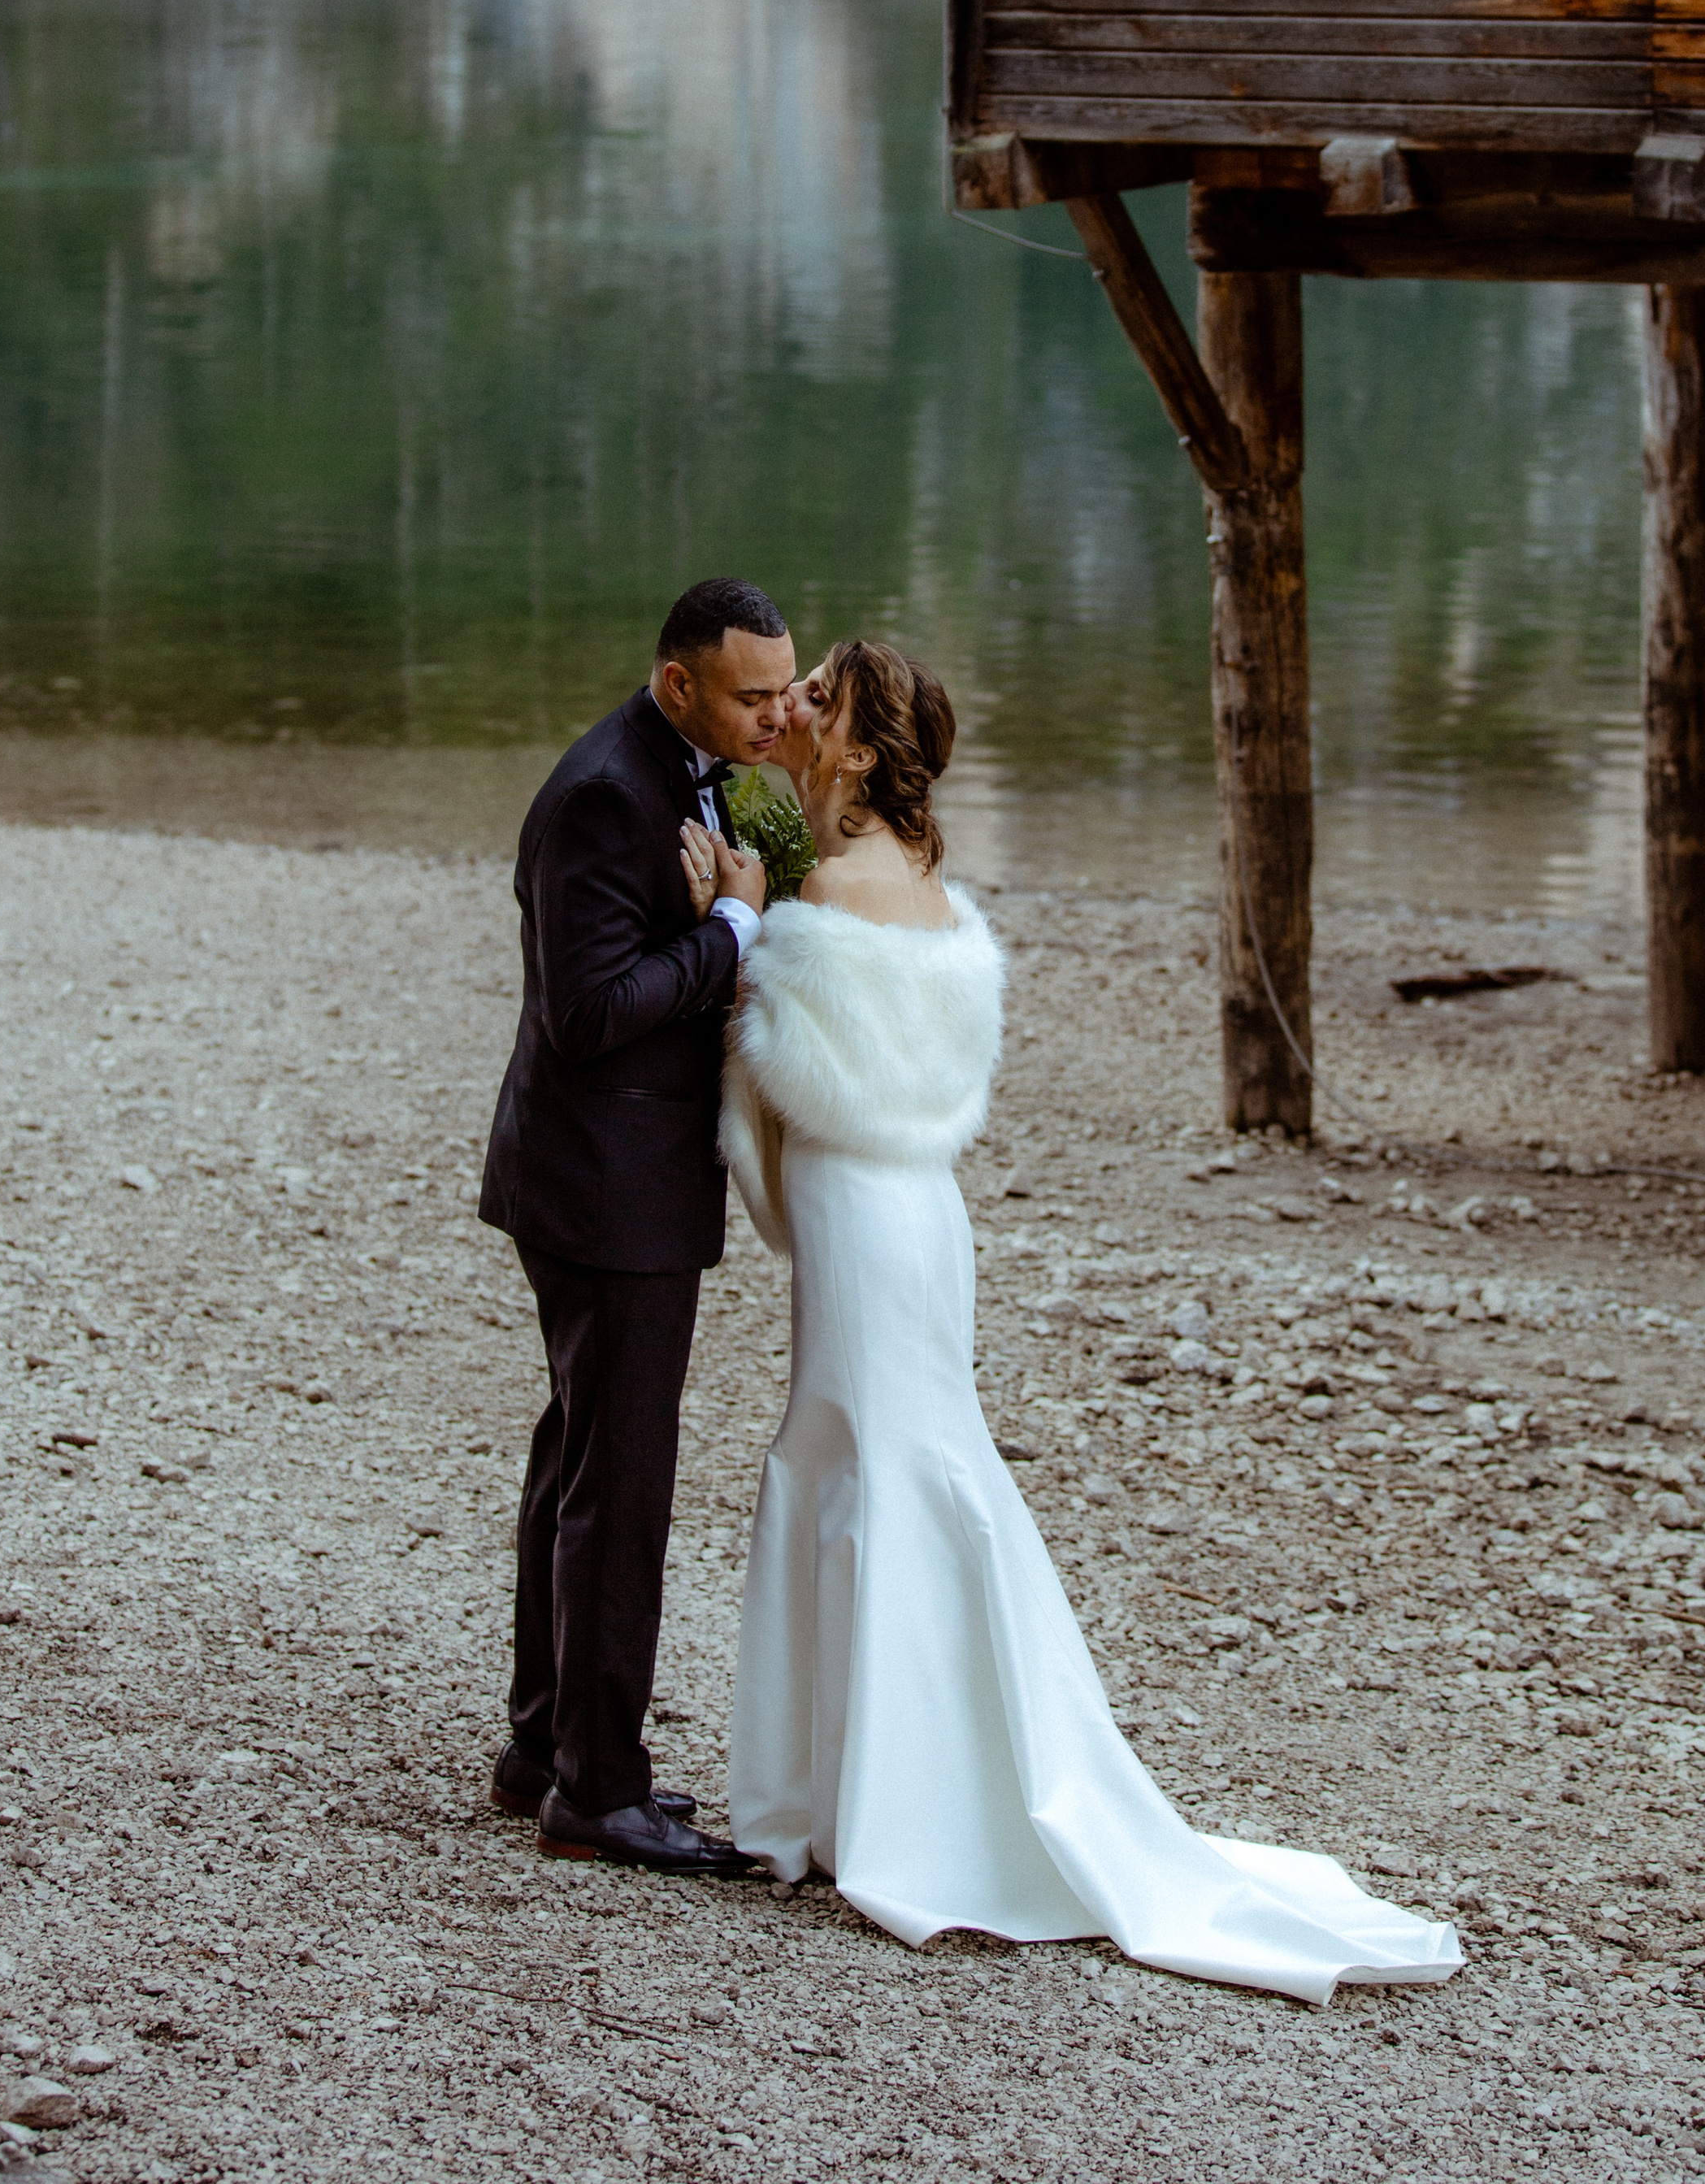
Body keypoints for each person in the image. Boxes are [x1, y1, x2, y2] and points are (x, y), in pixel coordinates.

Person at [716, 638, 1464, 2003]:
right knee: (900, 1461)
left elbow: (785, 1083)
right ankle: (874, 1792)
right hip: (921, 1217)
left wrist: (749, 933)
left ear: (866, 753)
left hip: (861, 1214)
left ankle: (879, 1815)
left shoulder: (830, 886)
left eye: (820, 696)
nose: (801, 711)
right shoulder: (929, 884)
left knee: (866, 1464)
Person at [479, 576, 794, 1874]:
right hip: (607, 1189)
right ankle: (599, 1790)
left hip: (601, 1174)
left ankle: (543, 1745)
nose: (776, 717)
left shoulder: (697, 768)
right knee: (622, 1485)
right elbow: (589, 1010)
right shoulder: (610, 792)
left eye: (786, 694)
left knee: (579, 1457)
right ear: (680, 685)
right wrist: (732, 928)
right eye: (752, 696)